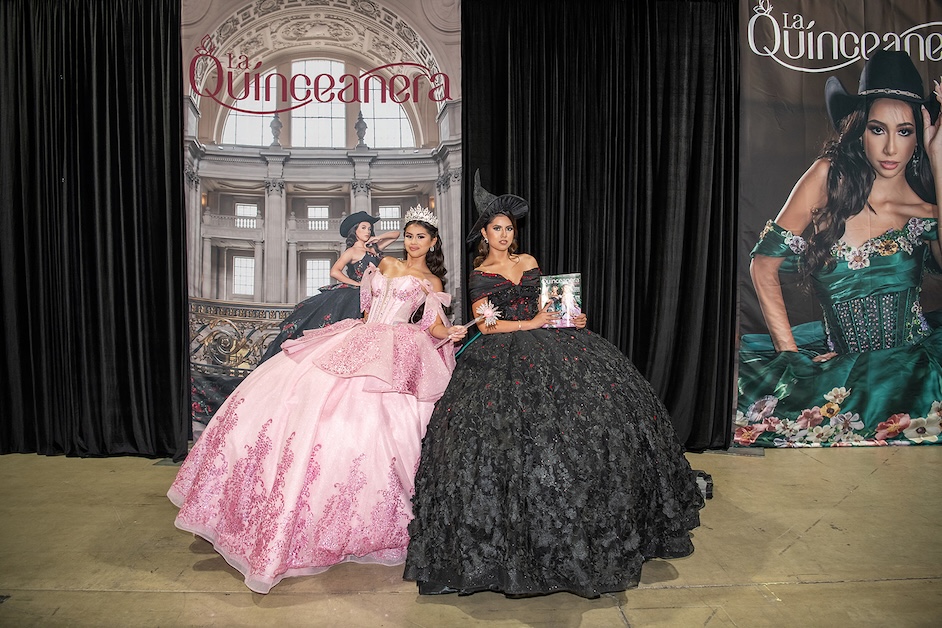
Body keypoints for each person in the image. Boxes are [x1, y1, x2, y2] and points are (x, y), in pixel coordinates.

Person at [402, 172, 704, 599]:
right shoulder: (479, 275)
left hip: (554, 341)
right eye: (497, 229)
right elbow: (487, 327)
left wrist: (570, 317)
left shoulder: (528, 263)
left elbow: (552, 305)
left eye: (509, 228)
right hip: (503, 351)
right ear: (484, 235)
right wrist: (532, 323)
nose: (505, 235)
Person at [168, 206, 467, 594]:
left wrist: (451, 331)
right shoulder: (386, 262)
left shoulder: (430, 279)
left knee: (374, 430)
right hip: (360, 335)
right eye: (409, 235)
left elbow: (431, 325)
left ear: (433, 243)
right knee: (302, 401)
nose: (413, 242)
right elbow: (366, 303)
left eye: (421, 237)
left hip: (395, 348)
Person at [737, 50, 942, 447]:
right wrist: (791, 358)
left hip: (916, 363)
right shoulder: (826, 177)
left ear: (918, 137)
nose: (889, 148)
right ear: (860, 130)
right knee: (754, 410)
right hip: (840, 366)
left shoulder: (926, 211)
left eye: (905, 132)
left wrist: (939, 158)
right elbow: (763, 266)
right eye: (878, 129)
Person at [259, 211, 399, 363]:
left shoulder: (373, 249)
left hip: (376, 295)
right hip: (356, 297)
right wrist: (358, 284)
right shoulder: (352, 251)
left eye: (369, 229)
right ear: (355, 230)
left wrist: (378, 238)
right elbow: (334, 271)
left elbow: (396, 234)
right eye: (363, 228)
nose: (367, 231)